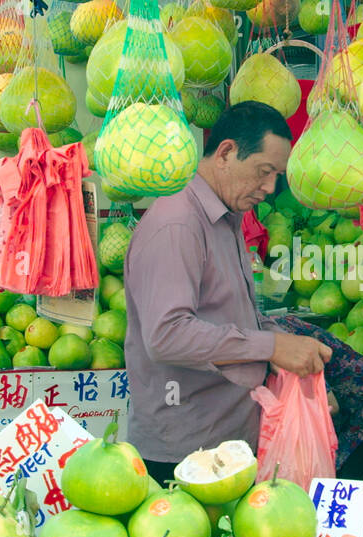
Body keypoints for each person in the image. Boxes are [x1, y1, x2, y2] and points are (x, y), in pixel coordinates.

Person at [123, 101, 332, 483]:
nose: (269, 189)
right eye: (264, 172)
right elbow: (167, 335)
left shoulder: (226, 218)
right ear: (226, 153)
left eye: (276, 176)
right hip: (186, 452)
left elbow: (229, 318)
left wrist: (286, 351)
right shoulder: (178, 224)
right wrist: (270, 347)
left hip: (226, 441)